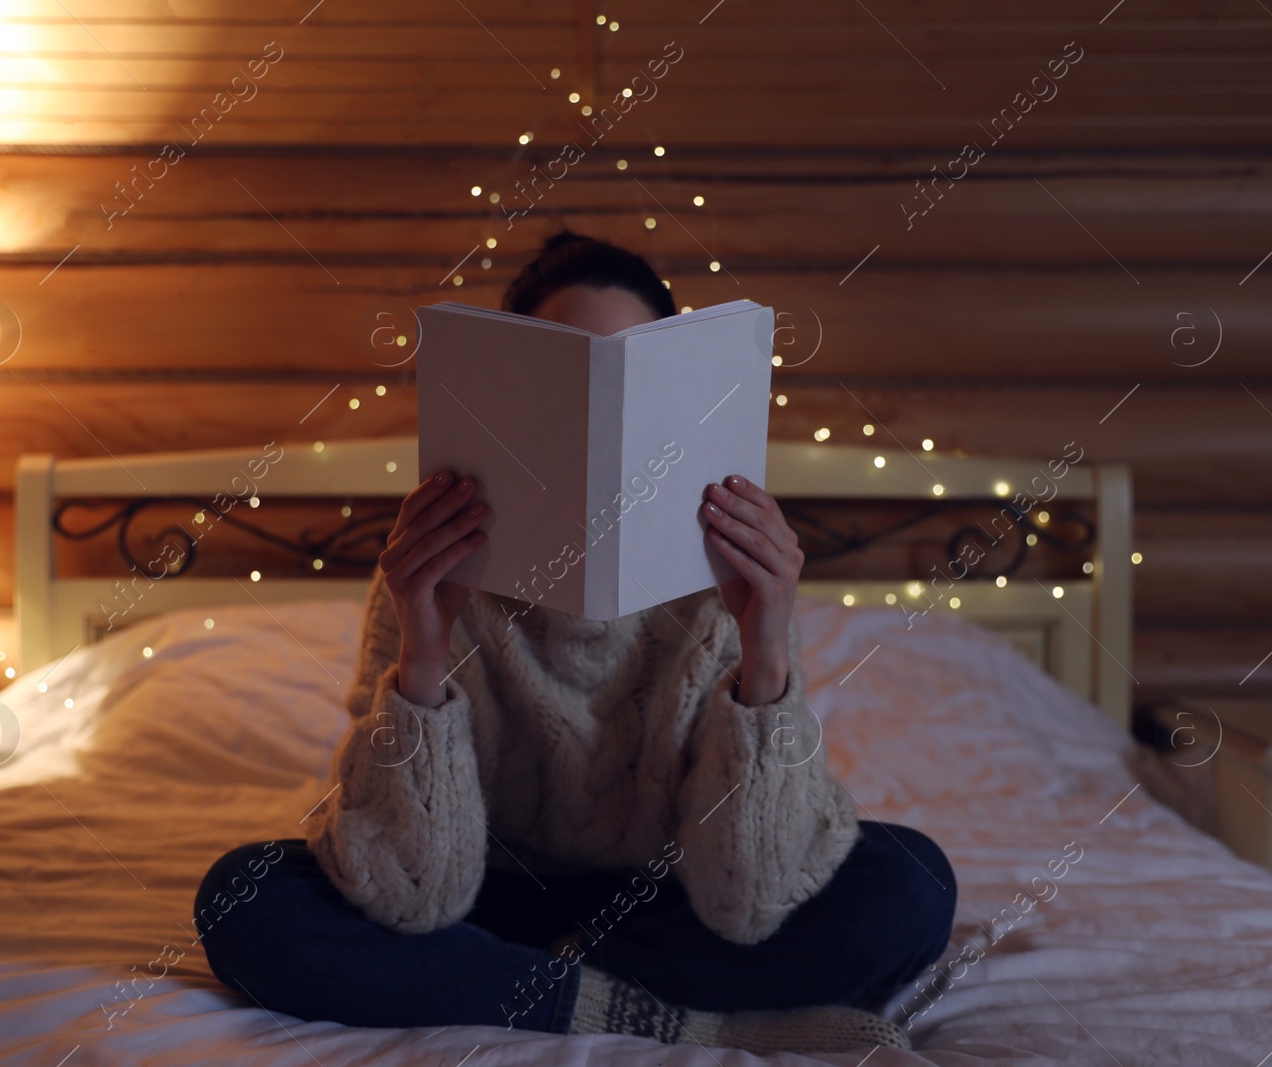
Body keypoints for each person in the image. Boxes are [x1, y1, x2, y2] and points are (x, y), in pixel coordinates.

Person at [196, 230, 955, 1055]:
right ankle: (671, 1019)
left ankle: (518, 987)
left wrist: (765, 651)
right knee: (247, 895)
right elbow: (416, 895)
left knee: (908, 882)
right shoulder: (431, 566)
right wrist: (423, 648)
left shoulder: (726, 576)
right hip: (481, 894)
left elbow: (751, 897)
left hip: (669, 905)